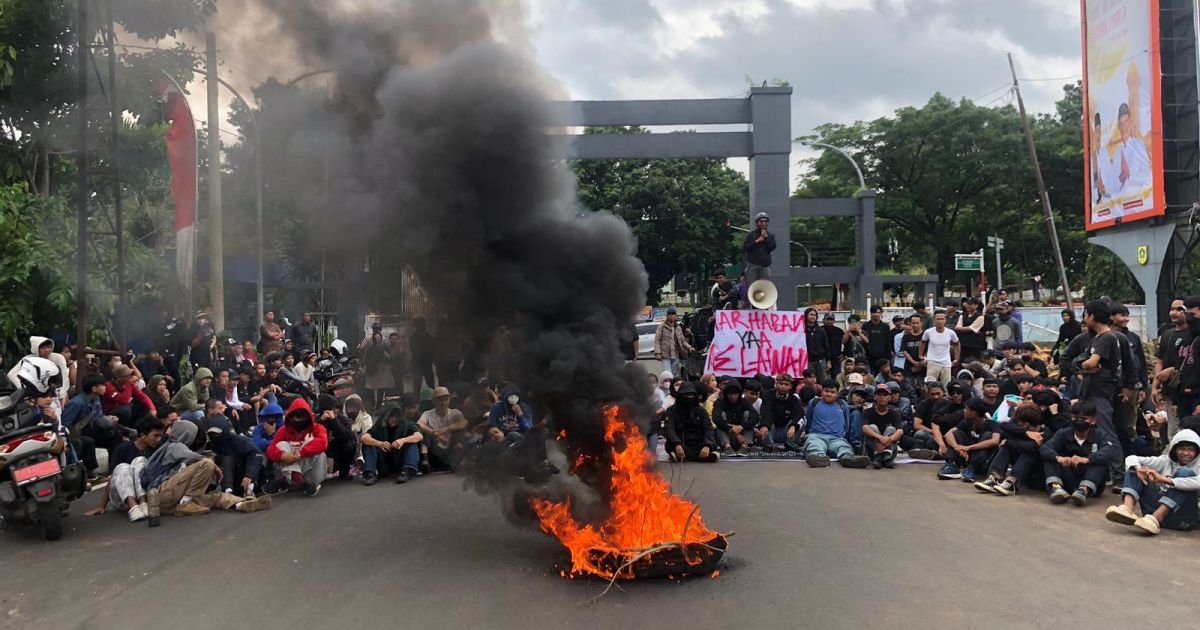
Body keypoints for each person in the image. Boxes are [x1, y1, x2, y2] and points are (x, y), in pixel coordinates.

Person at [139, 420, 271, 515]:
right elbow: (196, 458)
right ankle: (186, 503)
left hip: (169, 500)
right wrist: (214, 466)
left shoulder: (171, 448)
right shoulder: (174, 446)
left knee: (217, 497)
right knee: (206, 464)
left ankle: (241, 504)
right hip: (161, 493)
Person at [1106, 429, 1200, 535]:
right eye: (1182, 449)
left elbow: (1197, 482)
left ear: (1197, 451)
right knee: (1137, 469)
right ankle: (1127, 508)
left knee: (1185, 473)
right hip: (1150, 516)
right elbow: (1131, 458)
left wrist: (1164, 479)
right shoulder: (1166, 461)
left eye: (1190, 450)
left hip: (1183, 519)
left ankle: (1157, 517)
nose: (1186, 453)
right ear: (1175, 449)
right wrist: (1138, 469)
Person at [1075, 300, 1125, 486]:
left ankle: (1119, 477)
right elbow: (1081, 363)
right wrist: (1084, 367)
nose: (1084, 318)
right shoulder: (1096, 338)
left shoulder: (1107, 338)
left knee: (1107, 432)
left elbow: (1090, 363)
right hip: (1090, 390)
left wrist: (1085, 366)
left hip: (1101, 392)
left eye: (1085, 314)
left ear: (1093, 316)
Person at [83, 416, 165, 521]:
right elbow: (113, 477)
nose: (159, 439)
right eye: (155, 436)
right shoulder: (123, 448)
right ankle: (133, 508)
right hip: (121, 498)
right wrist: (101, 506)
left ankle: (142, 503)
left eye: (160, 436)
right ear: (143, 435)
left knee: (140, 461)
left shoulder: (159, 449)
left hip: (148, 495)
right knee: (123, 467)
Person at [1040, 401, 1118, 506]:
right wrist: (1059, 458)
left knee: (1100, 462)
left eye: (1084, 419)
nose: (1079, 421)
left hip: (1092, 481)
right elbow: (1045, 448)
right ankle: (1056, 488)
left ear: (1093, 420)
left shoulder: (1101, 436)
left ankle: (1083, 490)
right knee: (1050, 458)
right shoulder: (1063, 433)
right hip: (1069, 477)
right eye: (1075, 418)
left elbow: (1109, 451)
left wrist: (1087, 459)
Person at [975, 403, 1050, 495]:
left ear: (1027, 424)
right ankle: (994, 477)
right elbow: (1003, 426)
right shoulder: (1022, 430)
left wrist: (1008, 442)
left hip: (1036, 476)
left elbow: (1032, 447)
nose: (1020, 425)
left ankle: (1012, 483)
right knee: (1007, 447)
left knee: (1026, 451)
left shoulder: (1045, 433)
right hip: (1023, 472)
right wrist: (1026, 433)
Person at [264, 398, 329, 496]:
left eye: (304, 416)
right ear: (290, 417)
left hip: (310, 469)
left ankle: (287, 481)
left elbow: (323, 442)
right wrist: (283, 456)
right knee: (281, 445)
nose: (302, 419)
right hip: (291, 466)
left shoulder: (318, 428)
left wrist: (300, 453)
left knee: (318, 449)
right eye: (298, 416)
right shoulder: (283, 431)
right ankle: (300, 482)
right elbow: (271, 448)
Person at [802, 382, 869, 468]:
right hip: (817, 436)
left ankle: (849, 459)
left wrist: (845, 438)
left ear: (837, 394)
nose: (829, 394)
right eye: (826, 391)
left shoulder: (842, 404)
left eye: (832, 392)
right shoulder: (814, 402)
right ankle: (819, 459)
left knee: (843, 448)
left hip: (837, 438)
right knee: (814, 446)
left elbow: (847, 422)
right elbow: (809, 419)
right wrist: (808, 434)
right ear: (822, 392)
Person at [361, 399, 424, 484]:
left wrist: (403, 440)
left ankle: (407, 471)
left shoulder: (406, 424)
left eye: (397, 416)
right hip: (384, 461)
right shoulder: (379, 426)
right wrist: (379, 443)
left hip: (400, 460)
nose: (394, 419)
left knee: (412, 443)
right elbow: (364, 438)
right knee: (369, 444)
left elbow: (419, 436)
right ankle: (370, 473)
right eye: (391, 416)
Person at [938, 398, 1000, 483]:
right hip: (966, 456)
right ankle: (953, 465)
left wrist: (968, 448)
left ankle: (972, 468)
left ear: (973, 413)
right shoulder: (966, 422)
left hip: (982, 461)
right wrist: (957, 447)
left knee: (988, 436)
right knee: (957, 434)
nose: (964, 411)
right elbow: (948, 434)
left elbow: (995, 441)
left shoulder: (992, 424)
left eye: (966, 409)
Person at [203, 414, 265, 497]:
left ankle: (249, 491)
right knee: (224, 460)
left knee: (252, 462)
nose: (214, 436)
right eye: (211, 434)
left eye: (216, 433)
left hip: (247, 476)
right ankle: (228, 492)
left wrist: (249, 476)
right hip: (231, 480)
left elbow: (256, 455)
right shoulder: (212, 446)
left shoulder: (240, 441)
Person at [664, 382, 718, 462]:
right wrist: (677, 444)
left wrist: (707, 445)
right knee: (669, 444)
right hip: (681, 443)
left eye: (691, 395)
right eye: (686, 395)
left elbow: (708, 429)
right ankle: (698, 456)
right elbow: (669, 429)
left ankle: (688, 456)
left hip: (699, 443)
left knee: (713, 442)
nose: (689, 398)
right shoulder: (671, 411)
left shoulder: (701, 411)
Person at [418, 386, 468, 471]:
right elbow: (419, 424)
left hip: (451, 451)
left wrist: (444, 430)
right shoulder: (428, 414)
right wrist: (433, 432)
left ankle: (456, 459)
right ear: (434, 401)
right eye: (440, 400)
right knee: (425, 432)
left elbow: (464, 423)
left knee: (459, 431)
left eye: (445, 399)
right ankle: (424, 460)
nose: (443, 402)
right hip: (435, 451)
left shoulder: (455, 413)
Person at [755, 373, 805, 451]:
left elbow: (799, 413)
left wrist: (793, 426)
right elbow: (765, 411)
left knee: (803, 420)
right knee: (763, 419)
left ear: (790, 386)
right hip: (771, 430)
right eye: (781, 384)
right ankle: (769, 445)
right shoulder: (768, 395)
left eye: (786, 384)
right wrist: (764, 425)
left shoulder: (794, 399)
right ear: (776, 384)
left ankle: (791, 444)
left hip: (786, 432)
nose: (783, 386)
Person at [315, 394, 357, 481]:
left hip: (339, 450)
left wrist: (334, 421)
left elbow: (346, 437)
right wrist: (321, 421)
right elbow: (311, 436)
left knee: (350, 445)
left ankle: (344, 472)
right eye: (333, 408)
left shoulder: (344, 420)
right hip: (324, 450)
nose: (335, 411)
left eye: (337, 408)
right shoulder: (317, 420)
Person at [100, 364, 156, 429]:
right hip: (110, 413)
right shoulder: (108, 387)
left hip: (125, 410)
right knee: (125, 410)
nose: (130, 377)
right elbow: (124, 400)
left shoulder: (128, 383)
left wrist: (152, 409)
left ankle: (137, 427)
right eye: (127, 376)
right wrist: (128, 384)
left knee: (142, 405)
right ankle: (124, 429)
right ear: (119, 377)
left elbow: (142, 396)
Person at [861, 384, 903, 469]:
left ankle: (884, 458)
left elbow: (900, 431)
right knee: (872, 427)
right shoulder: (868, 412)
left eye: (885, 395)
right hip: (872, 448)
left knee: (891, 429)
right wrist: (880, 438)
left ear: (889, 398)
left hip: (889, 448)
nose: (882, 397)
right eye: (879, 395)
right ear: (875, 397)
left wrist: (888, 440)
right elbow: (864, 428)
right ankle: (878, 457)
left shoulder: (894, 412)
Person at [711, 380, 757, 456]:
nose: (733, 397)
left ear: (739, 394)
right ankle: (727, 446)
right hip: (726, 433)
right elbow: (716, 418)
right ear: (726, 394)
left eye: (735, 394)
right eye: (730, 394)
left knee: (747, 413)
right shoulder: (719, 403)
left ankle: (745, 446)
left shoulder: (745, 402)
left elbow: (755, 417)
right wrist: (733, 429)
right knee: (722, 415)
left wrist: (741, 427)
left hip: (743, 435)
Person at [654, 307, 694, 379]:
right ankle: (667, 389)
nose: (671, 315)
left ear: (675, 316)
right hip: (665, 355)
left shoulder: (678, 328)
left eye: (673, 314)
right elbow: (657, 340)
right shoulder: (662, 326)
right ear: (667, 316)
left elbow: (682, 341)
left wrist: (689, 347)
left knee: (675, 375)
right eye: (669, 314)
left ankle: (674, 389)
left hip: (675, 355)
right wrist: (658, 353)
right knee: (668, 374)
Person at [921, 311, 959, 385]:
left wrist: (956, 358)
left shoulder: (951, 333)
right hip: (932, 362)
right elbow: (923, 342)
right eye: (938, 319)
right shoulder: (928, 332)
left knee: (946, 386)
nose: (940, 321)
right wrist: (921, 355)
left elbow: (957, 343)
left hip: (946, 363)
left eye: (942, 319)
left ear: (945, 320)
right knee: (930, 385)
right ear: (934, 321)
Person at [360, 331, 394, 409]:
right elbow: (364, 353)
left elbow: (389, 356)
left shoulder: (384, 343)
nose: (377, 339)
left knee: (379, 389)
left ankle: (377, 406)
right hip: (372, 369)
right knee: (371, 388)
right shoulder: (370, 342)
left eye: (378, 338)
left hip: (381, 369)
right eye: (376, 338)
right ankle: (373, 406)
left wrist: (382, 352)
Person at [742, 212, 776, 283]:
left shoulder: (770, 235)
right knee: (751, 285)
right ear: (757, 223)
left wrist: (766, 238)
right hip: (752, 264)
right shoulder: (751, 235)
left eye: (765, 221)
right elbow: (746, 247)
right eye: (761, 221)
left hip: (765, 265)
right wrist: (757, 241)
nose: (763, 223)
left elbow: (772, 247)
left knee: (765, 286)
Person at [955, 297, 988, 362]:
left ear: (976, 305)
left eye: (970, 304)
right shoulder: (963, 315)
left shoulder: (980, 317)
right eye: (967, 304)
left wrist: (964, 328)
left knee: (974, 363)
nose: (968, 306)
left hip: (975, 346)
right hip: (963, 344)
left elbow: (971, 328)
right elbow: (957, 327)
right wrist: (967, 328)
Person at [861, 306, 892, 373]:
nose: (876, 314)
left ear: (881, 314)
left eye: (878, 312)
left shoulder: (885, 327)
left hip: (882, 356)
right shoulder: (866, 326)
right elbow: (864, 341)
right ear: (871, 313)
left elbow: (888, 342)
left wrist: (888, 357)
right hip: (869, 356)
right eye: (874, 312)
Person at [802, 308, 830, 383]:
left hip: (820, 361)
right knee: (809, 382)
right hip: (807, 361)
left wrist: (828, 361)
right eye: (811, 314)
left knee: (823, 381)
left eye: (814, 315)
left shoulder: (821, 330)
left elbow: (826, 346)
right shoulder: (801, 330)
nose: (813, 317)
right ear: (806, 316)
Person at [409, 317, 436, 392]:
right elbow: (415, 351)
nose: (421, 326)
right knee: (417, 385)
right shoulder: (413, 338)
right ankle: (416, 402)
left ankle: (432, 401)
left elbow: (432, 350)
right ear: (416, 326)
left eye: (422, 324)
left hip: (427, 364)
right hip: (417, 364)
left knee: (431, 385)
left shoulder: (429, 337)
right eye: (419, 324)